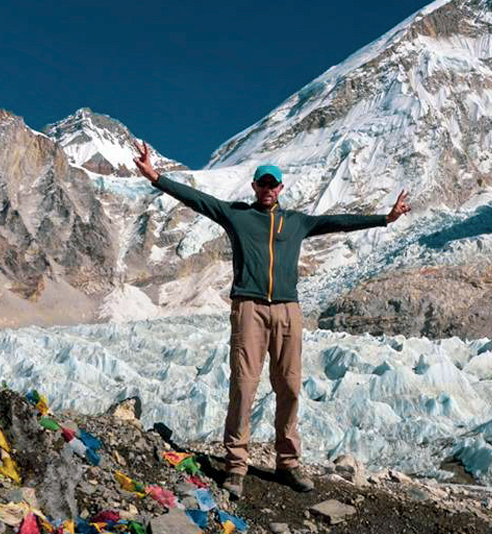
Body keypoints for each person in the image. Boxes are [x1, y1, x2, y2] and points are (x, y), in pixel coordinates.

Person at [133, 141, 410, 498]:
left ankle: (288, 463)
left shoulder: (297, 222)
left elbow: (339, 222)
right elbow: (198, 201)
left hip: (287, 310)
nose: (267, 189)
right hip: (249, 308)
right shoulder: (237, 215)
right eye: (262, 183)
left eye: (273, 184)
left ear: (280, 189)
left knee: (290, 387)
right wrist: (156, 177)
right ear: (254, 187)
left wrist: (385, 219)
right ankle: (235, 466)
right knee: (244, 387)